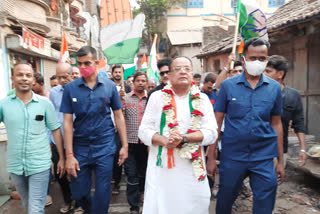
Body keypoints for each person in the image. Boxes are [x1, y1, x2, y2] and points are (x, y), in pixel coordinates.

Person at [207, 38, 285, 214]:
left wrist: (280, 161)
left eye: (262, 58)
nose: (257, 62)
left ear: (267, 60)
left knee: (265, 204)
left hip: (263, 156)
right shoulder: (228, 86)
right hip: (233, 155)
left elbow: (277, 124)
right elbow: (216, 122)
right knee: (225, 201)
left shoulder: (274, 88)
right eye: (252, 58)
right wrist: (211, 157)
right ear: (243, 59)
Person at [138, 56, 218, 214]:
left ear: (193, 74)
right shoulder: (156, 97)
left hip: (192, 168)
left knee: (193, 206)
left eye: (187, 69)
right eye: (178, 69)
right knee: (162, 205)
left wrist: (185, 138)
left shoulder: (202, 99)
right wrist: (164, 140)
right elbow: (143, 131)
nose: (183, 72)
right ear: (169, 75)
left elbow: (212, 132)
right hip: (162, 168)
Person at [61, 46, 128, 214]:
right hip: (80, 146)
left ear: (97, 63)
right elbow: (67, 122)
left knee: (103, 190)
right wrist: (69, 154)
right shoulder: (71, 89)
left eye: (88, 63)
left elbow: (119, 116)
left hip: (104, 145)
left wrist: (124, 146)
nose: (84, 67)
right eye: (80, 64)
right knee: (80, 192)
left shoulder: (109, 86)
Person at [0, 63, 65, 214]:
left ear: (33, 80)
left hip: (39, 164)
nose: (24, 78)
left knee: (35, 209)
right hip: (16, 165)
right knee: (27, 204)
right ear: (12, 78)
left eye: (28, 75)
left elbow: (55, 129)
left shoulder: (44, 103)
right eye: (20, 75)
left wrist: (62, 157)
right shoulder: (4, 105)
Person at [264, 55, 307, 167]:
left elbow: (299, 123)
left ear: (280, 74)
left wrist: (302, 149)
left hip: (279, 151)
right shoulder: (257, 93)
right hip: (257, 150)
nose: (263, 74)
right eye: (263, 71)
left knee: (274, 182)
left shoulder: (293, 95)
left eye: (268, 71)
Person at [49, 63, 74, 213]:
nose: (62, 80)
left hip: (76, 139)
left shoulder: (79, 91)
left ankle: (79, 201)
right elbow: (51, 117)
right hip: (57, 140)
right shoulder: (54, 92)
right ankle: (68, 200)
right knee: (60, 173)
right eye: (59, 77)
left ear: (72, 75)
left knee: (77, 172)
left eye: (65, 76)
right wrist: (49, 138)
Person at [123, 72, 149, 214]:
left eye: (143, 81)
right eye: (138, 80)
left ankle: (143, 194)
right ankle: (133, 206)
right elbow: (120, 118)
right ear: (133, 82)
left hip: (146, 144)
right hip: (130, 143)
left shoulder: (151, 99)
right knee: (131, 175)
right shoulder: (126, 99)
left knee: (144, 173)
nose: (140, 83)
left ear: (146, 83)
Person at [110, 64, 130, 195]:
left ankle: (117, 182)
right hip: (108, 125)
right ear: (112, 73)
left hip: (121, 126)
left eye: (120, 72)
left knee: (118, 154)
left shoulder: (127, 87)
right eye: (115, 72)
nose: (117, 74)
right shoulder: (107, 86)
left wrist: (124, 97)